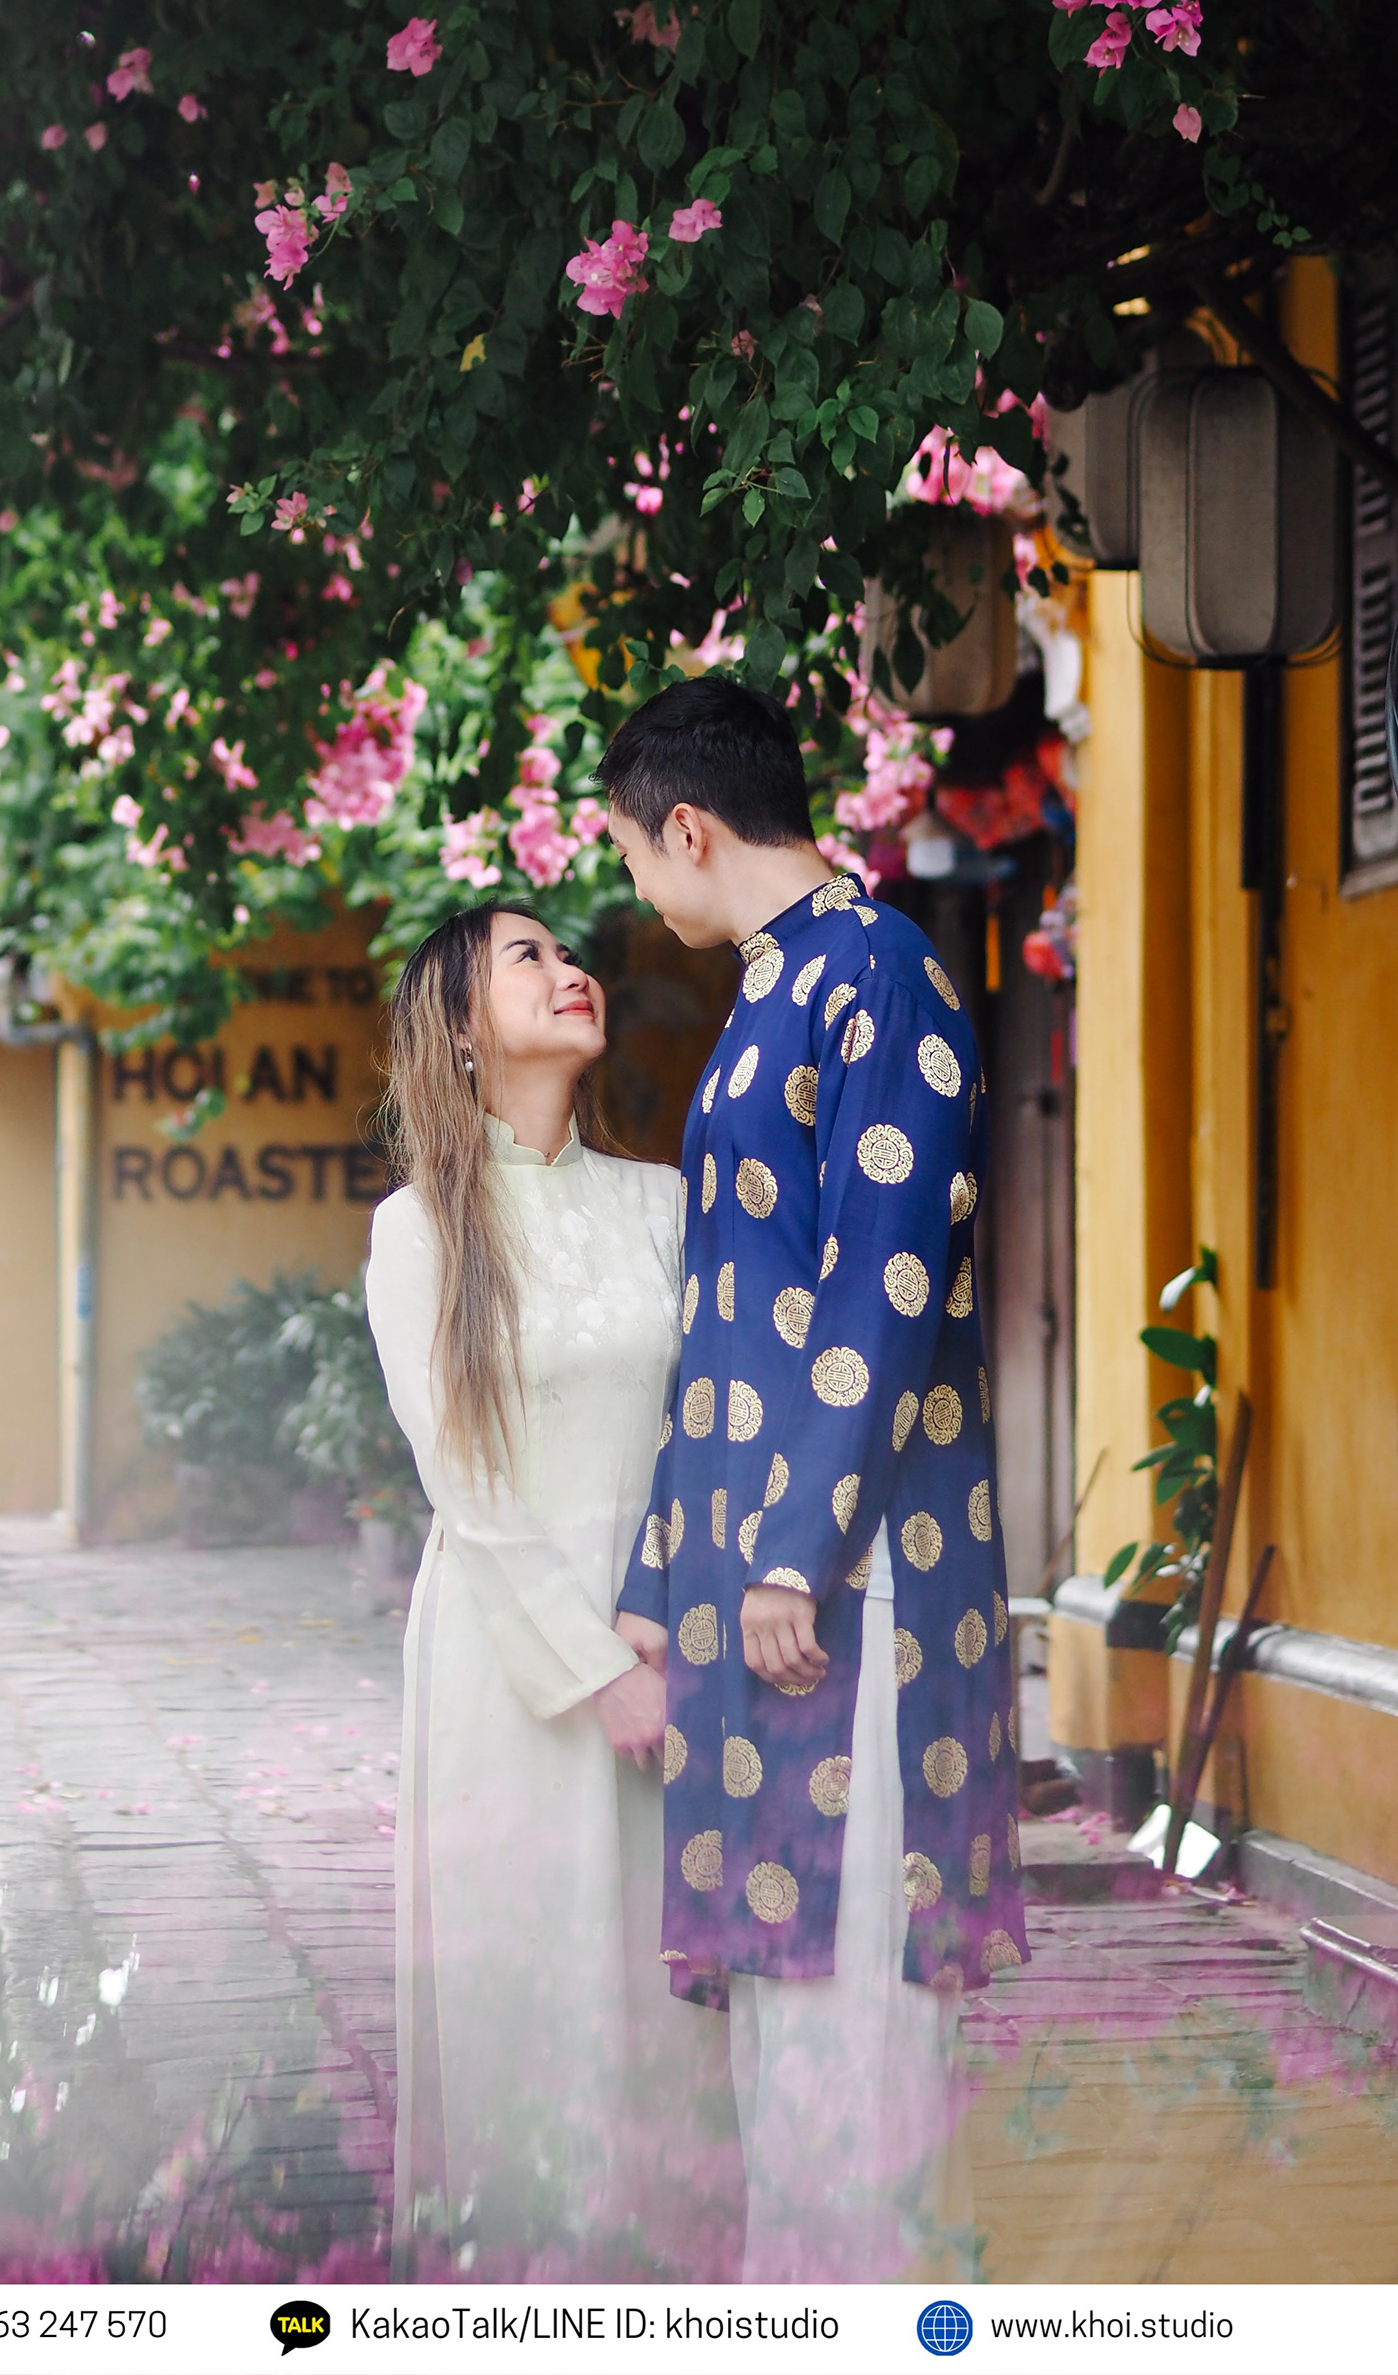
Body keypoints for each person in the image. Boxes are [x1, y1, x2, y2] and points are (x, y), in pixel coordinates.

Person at [601, 674, 1030, 2284]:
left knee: (854, 1979)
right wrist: (662, 1577)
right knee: (785, 1994)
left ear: (688, 828)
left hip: (856, 1576)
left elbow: (885, 1286)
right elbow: (721, 1320)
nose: (638, 887)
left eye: (631, 853)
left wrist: (795, 1548)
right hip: (763, 1574)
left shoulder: (882, 978)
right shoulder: (775, 995)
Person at [366, 901, 743, 2282]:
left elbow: (714, 1424)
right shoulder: (420, 1230)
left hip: (669, 1627)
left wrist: (666, 1627)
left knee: (665, 1992)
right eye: (524, 957)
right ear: (462, 1030)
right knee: (529, 1979)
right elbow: (461, 1476)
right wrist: (593, 1673)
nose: (567, 968)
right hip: (511, 1657)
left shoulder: (663, 1205)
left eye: (567, 951)